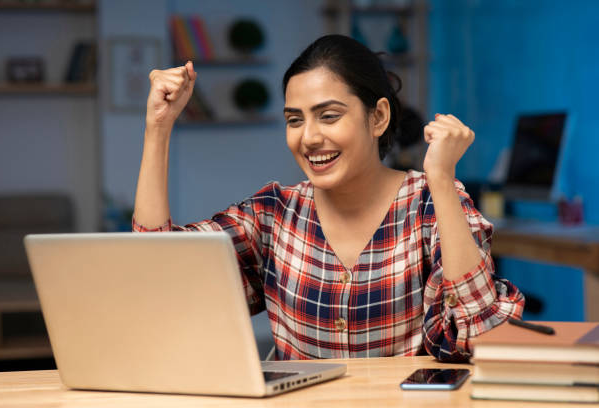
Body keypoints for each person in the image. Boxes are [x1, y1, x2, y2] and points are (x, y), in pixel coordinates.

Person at [133, 34, 524, 362]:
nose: (309, 137)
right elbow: (156, 273)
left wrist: (440, 178)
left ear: (378, 117)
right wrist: (158, 128)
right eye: (294, 119)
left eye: (329, 115)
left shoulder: (431, 203)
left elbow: (480, 337)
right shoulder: (272, 214)